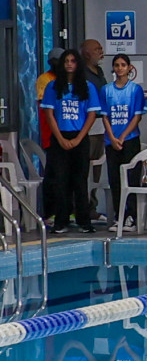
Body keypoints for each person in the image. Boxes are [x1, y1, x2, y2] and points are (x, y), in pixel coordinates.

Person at [41, 48, 101, 232]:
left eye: (72, 61)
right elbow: (49, 114)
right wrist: (59, 138)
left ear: (78, 64)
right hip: (59, 137)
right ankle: (61, 221)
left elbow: (91, 115)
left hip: (80, 138)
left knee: (80, 181)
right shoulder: (53, 86)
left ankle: (84, 221)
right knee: (60, 180)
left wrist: (78, 138)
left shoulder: (87, 86)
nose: (69, 64)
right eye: (66, 61)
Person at [101, 54, 146, 228]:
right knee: (115, 180)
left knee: (131, 178)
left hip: (130, 140)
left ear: (129, 68)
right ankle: (120, 216)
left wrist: (122, 137)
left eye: (123, 65)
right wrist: (112, 137)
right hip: (111, 141)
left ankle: (132, 216)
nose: (120, 68)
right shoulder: (106, 90)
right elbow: (105, 117)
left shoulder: (135, 90)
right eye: (117, 65)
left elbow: (136, 117)